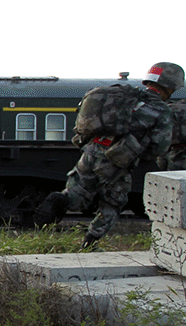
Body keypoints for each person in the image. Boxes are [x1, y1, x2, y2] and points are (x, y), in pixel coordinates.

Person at [34, 63, 180, 246]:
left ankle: (61, 198)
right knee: (112, 203)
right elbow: (160, 147)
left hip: (90, 152)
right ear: (171, 86)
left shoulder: (125, 97)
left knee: (78, 193)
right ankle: (90, 242)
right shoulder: (161, 110)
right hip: (115, 161)